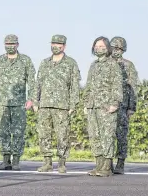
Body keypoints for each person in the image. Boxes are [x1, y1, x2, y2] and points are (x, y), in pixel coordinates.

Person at [34, 35, 81, 174]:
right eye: (53, 43)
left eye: (59, 44)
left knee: (63, 135)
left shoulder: (71, 63)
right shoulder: (44, 62)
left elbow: (74, 86)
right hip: (45, 104)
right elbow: (38, 84)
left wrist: (73, 104)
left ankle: (62, 162)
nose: (55, 46)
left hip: (62, 106)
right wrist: (36, 102)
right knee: (44, 134)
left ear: (64, 46)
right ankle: (47, 162)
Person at [0, 34, 35, 171]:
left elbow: (32, 80)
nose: (10, 46)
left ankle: (15, 161)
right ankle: (5, 160)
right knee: (2, 131)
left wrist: (31, 98)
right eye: (8, 44)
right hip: (3, 102)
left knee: (18, 132)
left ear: (17, 45)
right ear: (4, 45)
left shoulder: (25, 60)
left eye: (13, 44)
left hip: (19, 102)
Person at [83, 36, 123, 177]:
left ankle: (106, 167)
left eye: (102, 47)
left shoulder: (113, 64)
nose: (99, 49)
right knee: (95, 135)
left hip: (106, 106)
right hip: (93, 106)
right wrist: (86, 103)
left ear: (108, 49)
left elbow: (117, 85)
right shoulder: (93, 65)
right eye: (96, 46)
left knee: (107, 135)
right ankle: (99, 165)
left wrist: (114, 103)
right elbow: (88, 86)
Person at [110, 36, 139, 175]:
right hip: (107, 105)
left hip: (122, 105)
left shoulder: (128, 65)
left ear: (123, 49)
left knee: (121, 134)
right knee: (106, 134)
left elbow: (133, 86)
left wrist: (131, 107)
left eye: (118, 48)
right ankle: (106, 162)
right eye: (113, 48)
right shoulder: (106, 64)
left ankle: (120, 162)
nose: (115, 51)